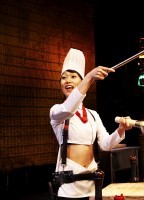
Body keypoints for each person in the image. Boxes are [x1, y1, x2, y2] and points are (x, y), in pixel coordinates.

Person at [50, 48, 132, 199]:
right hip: (69, 188)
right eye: (63, 78)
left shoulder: (93, 115)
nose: (67, 80)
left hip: (93, 185)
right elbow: (69, 108)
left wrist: (120, 129)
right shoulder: (57, 111)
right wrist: (89, 77)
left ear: (81, 82)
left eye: (73, 76)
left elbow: (106, 144)